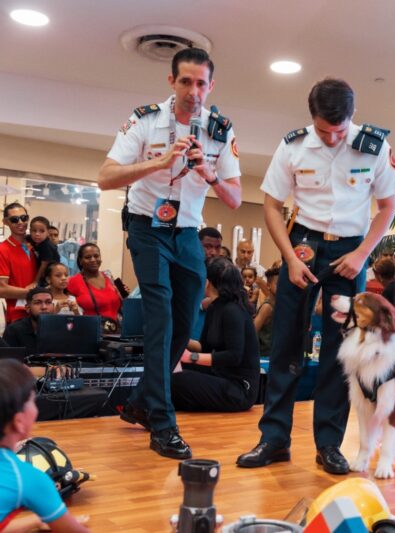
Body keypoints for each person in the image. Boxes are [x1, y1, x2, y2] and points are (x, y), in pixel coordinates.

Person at [237, 77, 395, 473]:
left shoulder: (374, 146)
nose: (331, 139)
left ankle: (329, 443)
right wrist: (290, 258)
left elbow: (386, 206)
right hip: (304, 246)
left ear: (352, 117)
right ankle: (273, 439)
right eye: (324, 130)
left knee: (338, 350)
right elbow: (272, 205)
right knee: (286, 343)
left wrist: (363, 254)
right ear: (312, 119)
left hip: (350, 250)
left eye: (339, 131)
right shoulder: (293, 145)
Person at [98, 47, 241, 459]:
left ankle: (143, 401)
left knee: (184, 322)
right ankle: (163, 424)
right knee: (160, 315)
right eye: (186, 82)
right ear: (171, 82)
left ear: (210, 86)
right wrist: (158, 162)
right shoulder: (143, 120)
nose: (194, 91)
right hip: (146, 227)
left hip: (187, 234)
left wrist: (208, 172)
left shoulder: (220, 130)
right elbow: (105, 177)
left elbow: (234, 198)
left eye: (201, 83)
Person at [0, 359, 90, 533]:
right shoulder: (28, 478)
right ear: (19, 422)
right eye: (33, 401)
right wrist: (54, 517)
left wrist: (35, 520)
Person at [171, 258, 260, 412]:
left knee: (177, 380)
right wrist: (175, 336)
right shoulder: (214, 308)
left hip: (240, 388)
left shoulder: (233, 311)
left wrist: (192, 357)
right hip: (222, 376)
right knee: (167, 370)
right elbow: (203, 347)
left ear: (208, 282)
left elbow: (234, 356)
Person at [0, 203, 38, 324]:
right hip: (18, 316)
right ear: (5, 222)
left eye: (24, 218)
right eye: (14, 219)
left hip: (41, 313)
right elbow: (1, 289)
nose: (20, 222)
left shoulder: (36, 246)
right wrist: (35, 295)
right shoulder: (3, 249)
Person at [66, 243, 122, 324]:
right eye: (88, 257)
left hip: (115, 331)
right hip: (88, 332)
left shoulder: (109, 278)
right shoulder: (73, 282)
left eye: (96, 256)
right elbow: (69, 313)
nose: (93, 260)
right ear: (80, 261)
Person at [2, 287, 54, 355]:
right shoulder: (14, 330)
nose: (44, 307)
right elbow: (8, 361)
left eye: (48, 302)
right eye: (37, 303)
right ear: (27, 308)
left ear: (53, 306)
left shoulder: (61, 329)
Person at [254, 261, 280, 358]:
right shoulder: (267, 307)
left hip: (275, 355)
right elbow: (253, 330)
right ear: (268, 285)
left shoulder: (279, 305)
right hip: (264, 356)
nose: (281, 287)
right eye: (278, 284)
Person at [28, 215, 61, 287]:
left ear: (47, 233)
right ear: (30, 231)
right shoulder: (33, 239)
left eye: (42, 231)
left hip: (49, 276)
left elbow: (44, 265)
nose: (37, 234)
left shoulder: (46, 246)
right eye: (34, 231)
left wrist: (35, 282)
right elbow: (24, 237)